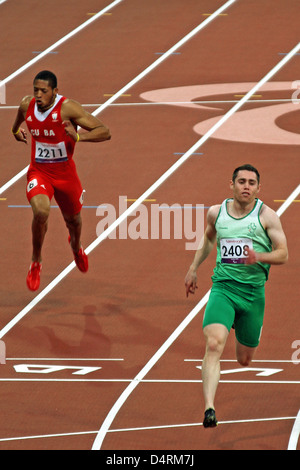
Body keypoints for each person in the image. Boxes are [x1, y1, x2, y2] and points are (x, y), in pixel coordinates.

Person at [185, 164, 288, 428]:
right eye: (241, 181)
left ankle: (244, 329)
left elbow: (283, 254)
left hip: (253, 295)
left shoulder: (267, 216)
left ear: (258, 188)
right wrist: (193, 269)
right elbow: (209, 239)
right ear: (231, 184)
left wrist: (259, 257)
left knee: (244, 359)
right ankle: (209, 408)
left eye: (251, 183)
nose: (246, 186)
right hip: (223, 289)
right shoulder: (216, 213)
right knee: (213, 344)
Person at [11, 70, 111, 291]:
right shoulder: (26, 105)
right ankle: (36, 261)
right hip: (40, 173)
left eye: (43, 91)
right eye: (35, 90)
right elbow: (18, 119)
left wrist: (78, 136)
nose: (38, 95)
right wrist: (15, 130)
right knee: (40, 212)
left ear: (55, 91)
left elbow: (105, 131)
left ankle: (76, 247)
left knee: (74, 222)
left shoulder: (68, 108)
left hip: (66, 176)